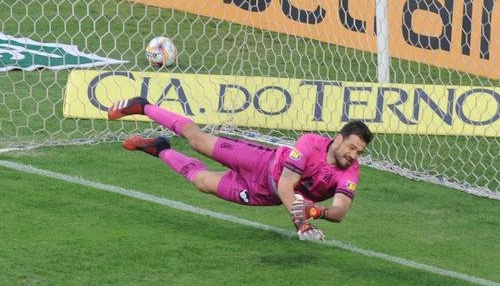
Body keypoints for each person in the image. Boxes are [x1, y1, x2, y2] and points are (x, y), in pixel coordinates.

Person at [109, 96, 372, 241]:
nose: (353, 155)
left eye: (359, 152)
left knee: (201, 182)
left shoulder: (350, 172)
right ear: (338, 139)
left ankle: (160, 148)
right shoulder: (310, 143)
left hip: (262, 194)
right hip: (259, 162)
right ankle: (144, 106)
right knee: (199, 142)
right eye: (351, 147)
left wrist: (318, 210)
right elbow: (285, 184)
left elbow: (339, 212)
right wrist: (301, 224)